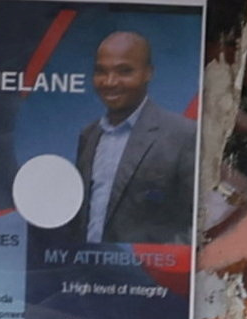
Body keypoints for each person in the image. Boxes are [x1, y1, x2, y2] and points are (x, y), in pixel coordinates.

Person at [73, 28, 197, 253]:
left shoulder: (183, 135)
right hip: (86, 273)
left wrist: (151, 262)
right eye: (101, 71)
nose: (110, 82)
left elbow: (197, 222)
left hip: (144, 280)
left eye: (124, 71)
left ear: (148, 73)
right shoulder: (89, 135)